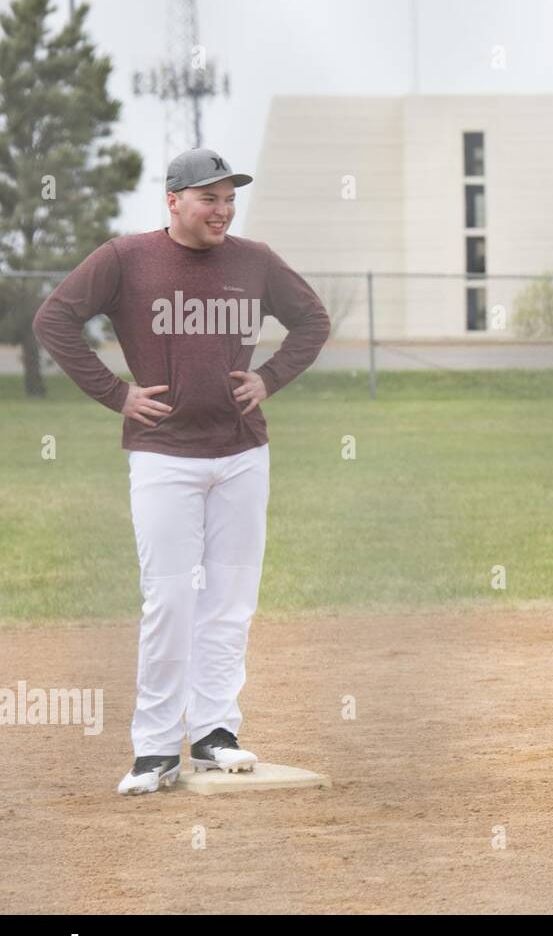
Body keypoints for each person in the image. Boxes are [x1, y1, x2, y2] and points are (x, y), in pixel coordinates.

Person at [32, 148, 332, 795]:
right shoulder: (125, 259)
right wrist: (118, 395)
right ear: (173, 201)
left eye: (229, 199)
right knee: (169, 598)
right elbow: (53, 319)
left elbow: (313, 320)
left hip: (242, 452)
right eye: (209, 199)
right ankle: (156, 748)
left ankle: (216, 731)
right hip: (164, 453)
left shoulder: (254, 261)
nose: (223, 211)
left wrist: (270, 377)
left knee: (229, 598)